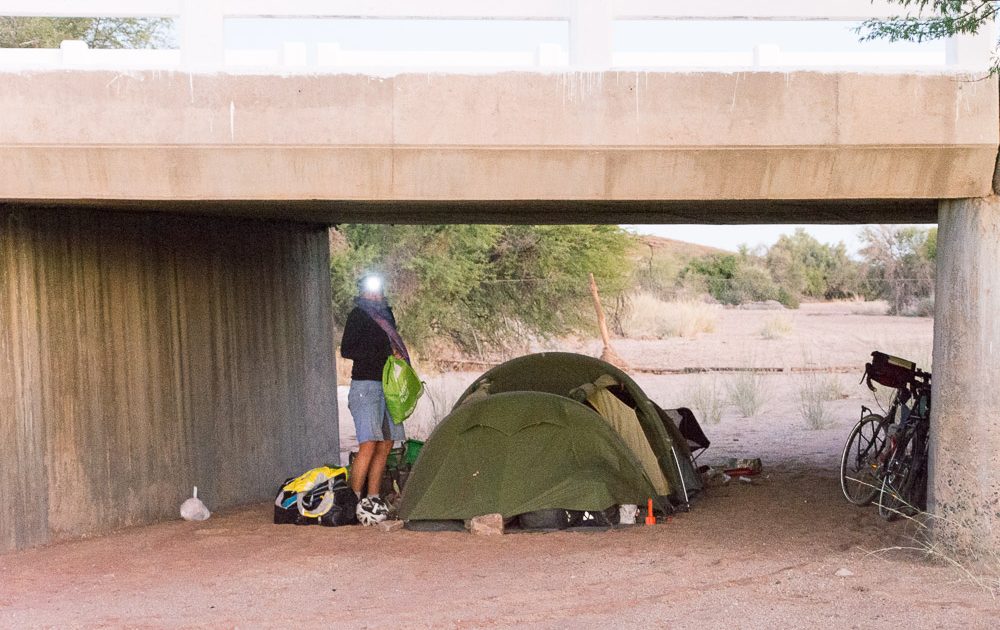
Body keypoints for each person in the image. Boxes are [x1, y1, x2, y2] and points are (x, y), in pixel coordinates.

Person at [340, 273, 410, 526]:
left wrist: (395, 355)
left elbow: (392, 346)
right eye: (368, 290)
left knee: (386, 443)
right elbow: (347, 350)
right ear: (361, 291)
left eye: (377, 289)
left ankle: (373, 498)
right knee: (368, 443)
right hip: (366, 386)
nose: (373, 294)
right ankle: (353, 501)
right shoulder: (358, 316)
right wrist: (380, 352)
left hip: (387, 386)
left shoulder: (387, 315)